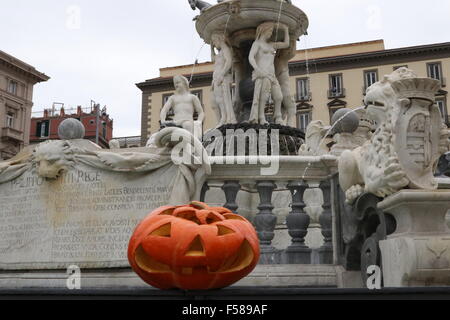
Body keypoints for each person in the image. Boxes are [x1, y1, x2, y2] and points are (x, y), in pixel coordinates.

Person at [248, 22, 290, 125]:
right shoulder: (257, 44)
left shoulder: (271, 45)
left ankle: (277, 116)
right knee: (263, 97)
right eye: (270, 31)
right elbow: (251, 57)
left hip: (272, 75)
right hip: (263, 73)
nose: (271, 34)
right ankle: (261, 118)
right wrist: (257, 69)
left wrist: (286, 30)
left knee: (279, 96)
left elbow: (286, 44)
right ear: (263, 31)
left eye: (272, 32)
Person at [211, 32, 236, 127]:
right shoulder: (220, 53)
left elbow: (229, 62)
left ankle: (227, 118)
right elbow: (213, 59)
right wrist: (211, 48)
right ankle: (224, 117)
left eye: (214, 41)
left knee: (223, 99)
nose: (214, 43)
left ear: (219, 39)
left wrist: (222, 74)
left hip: (222, 77)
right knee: (218, 100)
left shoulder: (225, 49)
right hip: (217, 78)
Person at [275, 37, 297, 127]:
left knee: (290, 106)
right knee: (290, 106)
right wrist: (293, 38)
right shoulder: (279, 59)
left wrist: (293, 40)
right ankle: (288, 123)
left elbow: (292, 52)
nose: (287, 51)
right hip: (281, 86)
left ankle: (289, 123)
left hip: (282, 87)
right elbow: (291, 52)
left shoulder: (280, 59)